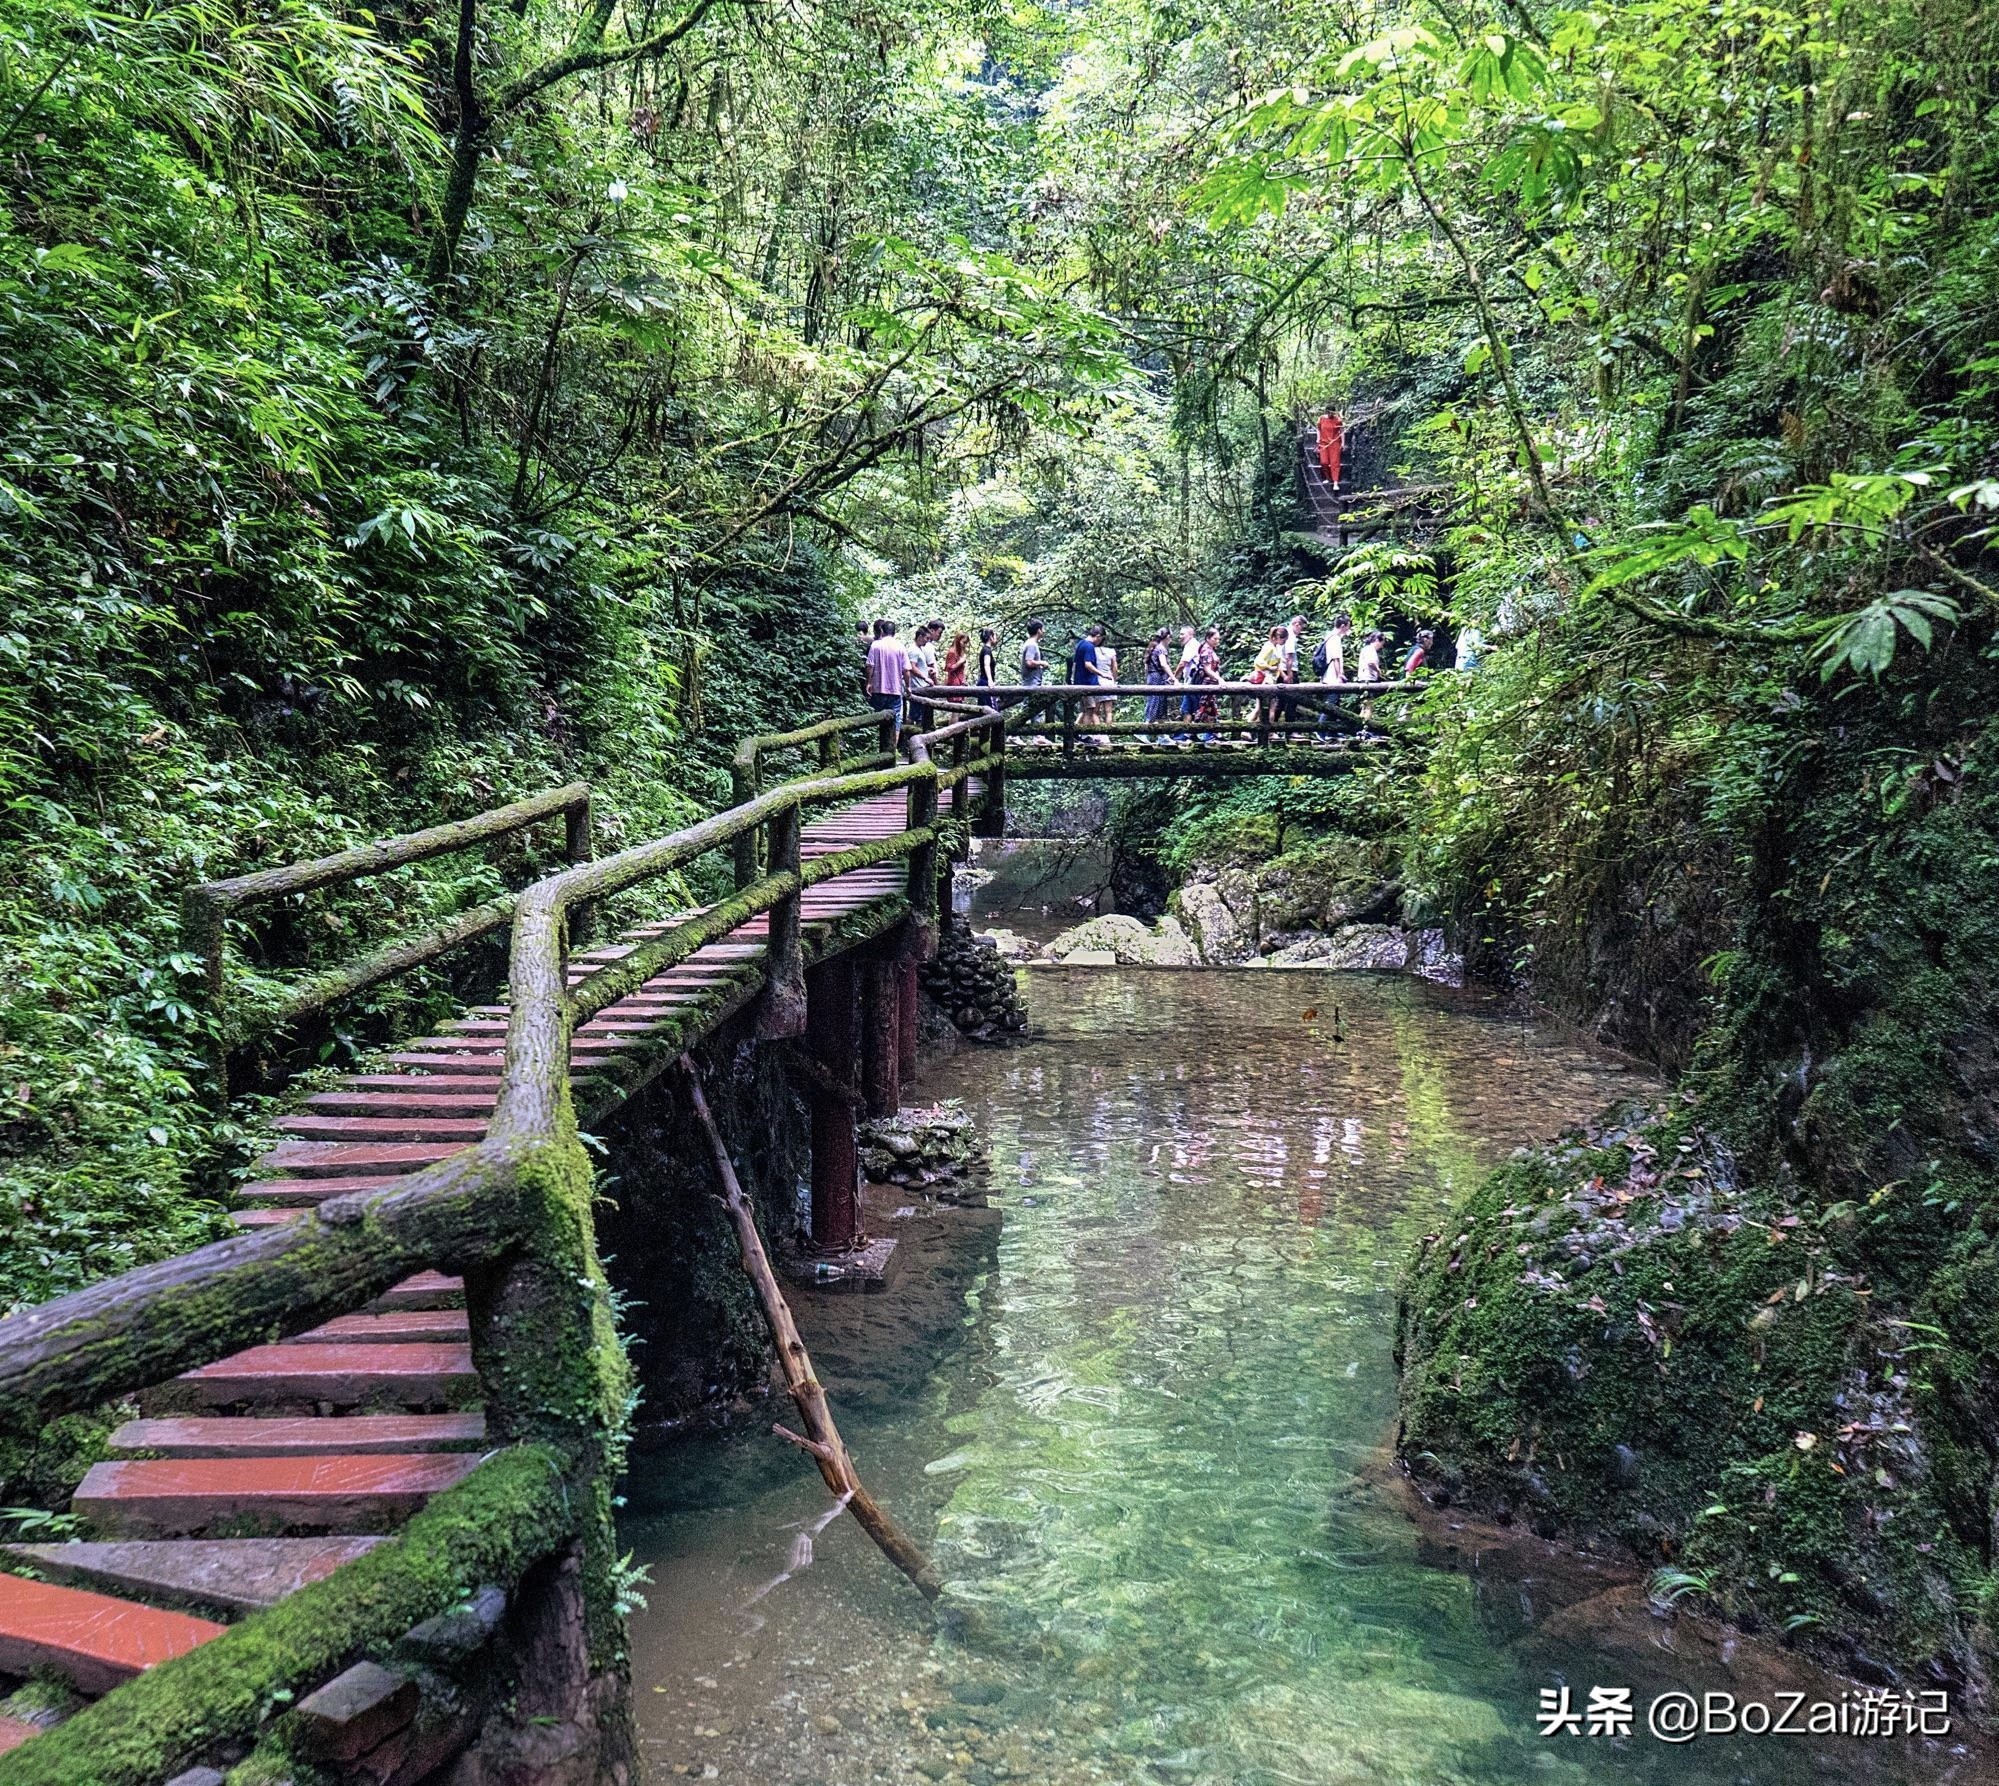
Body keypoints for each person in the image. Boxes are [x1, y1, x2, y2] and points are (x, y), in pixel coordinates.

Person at [866, 619, 906, 734]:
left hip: (878, 689)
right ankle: (892, 749)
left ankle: (874, 744)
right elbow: (906, 670)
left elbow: (870, 666)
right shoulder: (900, 647)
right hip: (895, 690)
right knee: (896, 720)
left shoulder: (875, 645)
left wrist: (869, 682)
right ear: (894, 633)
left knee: (875, 718)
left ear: (882, 631)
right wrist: (907, 686)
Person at [1251, 623, 1285, 740]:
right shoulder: (1269, 647)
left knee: (1261, 708)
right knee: (1268, 707)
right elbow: (1258, 661)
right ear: (1279, 637)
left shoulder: (1274, 647)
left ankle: (1247, 730)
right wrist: (1270, 668)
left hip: (1271, 679)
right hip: (1266, 680)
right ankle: (1268, 732)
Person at [1143, 627, 1174, 726]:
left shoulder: (1154, 647)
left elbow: (1146, 667)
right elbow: (1164, 664)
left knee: (1156, 703)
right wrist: (1174, 678)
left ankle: (1161, 734)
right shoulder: (1161, 648)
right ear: (1168, 637)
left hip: (1152, 677)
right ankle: (1145, 729)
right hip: (1157, 678)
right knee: (1156, 703)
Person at [1317, 412, 1344, 489]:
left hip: (1335, 443)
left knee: (1335, 462)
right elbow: (1318, 429)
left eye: (1332, 413)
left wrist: (1343, 443)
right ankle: (1328, 477)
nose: (1331, 415)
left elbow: (1342, 431)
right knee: (1324, 462)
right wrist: (1318, 438)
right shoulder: (1321, 419)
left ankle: (1335, 483)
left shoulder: (1338, 420)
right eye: (1329, 413)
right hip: (1323, 443)